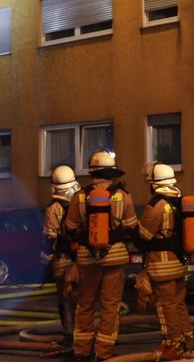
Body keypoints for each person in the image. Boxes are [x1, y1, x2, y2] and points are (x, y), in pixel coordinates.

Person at [63, 150, 139, 362]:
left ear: (92, 173)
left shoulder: (80, 196)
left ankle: (82, 350)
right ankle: (104, 352)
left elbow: (70, 227)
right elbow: (132, 227)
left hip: (87, 259)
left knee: (85, 304)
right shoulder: (122, 195)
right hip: (115, 257)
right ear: (110, 173)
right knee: (110, 306)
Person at [137, 162, 194, 361]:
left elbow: (144, 235)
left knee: (165, 306)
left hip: (162, 266)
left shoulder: (156, 205)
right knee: (179, 304)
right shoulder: (179, 201)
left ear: (154, 183)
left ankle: (171, 346)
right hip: (180, 263)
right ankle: (186, 342)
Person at [42, 164, 81, 352]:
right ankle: (84, 334)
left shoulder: (53, 207)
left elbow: (50, 236)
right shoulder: (81, 203)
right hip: (82, 259)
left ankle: (70, 335)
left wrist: (45, 258)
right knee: (82, 298)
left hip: (63, 260)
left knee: (65, 299)